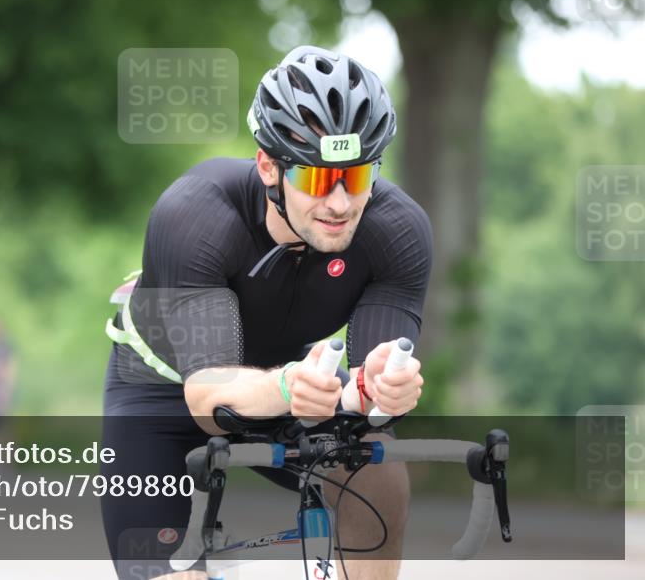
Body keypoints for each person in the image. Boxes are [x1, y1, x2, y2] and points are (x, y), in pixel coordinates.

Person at [101, 45, 432, 580]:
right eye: (320, 180)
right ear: (268, 168)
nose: (341, 203)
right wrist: (286, 389)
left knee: (376, 459)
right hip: (162, 391)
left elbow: (368, 395)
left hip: (287, 376)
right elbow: (208, 400)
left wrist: (376, 392)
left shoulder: (396, 231)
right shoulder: (197, 216)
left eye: (358, 175)